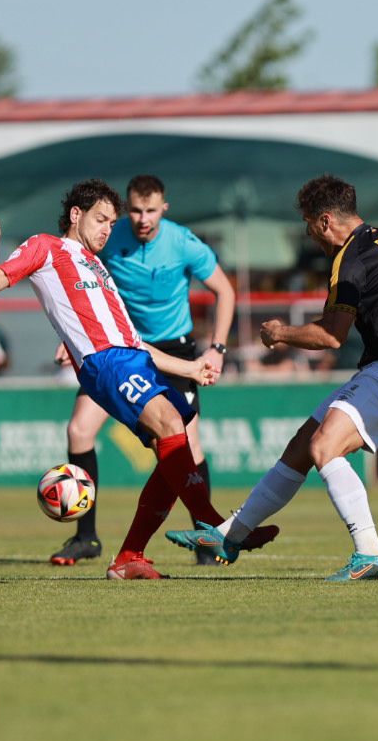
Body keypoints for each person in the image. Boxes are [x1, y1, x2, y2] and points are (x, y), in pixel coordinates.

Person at [166, 175, 378, 580]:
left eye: (310, 226)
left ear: (325, 220)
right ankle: (230, 535)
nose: (312, 237)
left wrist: (281, 334)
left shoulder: (351, 258)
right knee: (301, 447)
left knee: (325, 446)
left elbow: (331, 335)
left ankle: (371, 551)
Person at [0, 178, 252, 581]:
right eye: (101, 220)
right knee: (164, 428)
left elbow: (133, 340)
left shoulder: (100, 266)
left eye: (110, 222)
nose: (108, 229)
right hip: (107, 364)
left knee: (176, 447)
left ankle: (130, 556)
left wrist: (190, 368)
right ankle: (217, 529)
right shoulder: (45, 247)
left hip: (136, 357)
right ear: (76, 215)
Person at [49, 174, 237, 568]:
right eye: (134, 210)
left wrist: (217, 349)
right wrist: (73, 336)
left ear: (163, 209)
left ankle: (204, 537)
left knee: (186, 443)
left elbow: (225, 290)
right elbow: (84, 288)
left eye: (150, 211)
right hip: (116, 350)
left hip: (171, 350)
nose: (142, 219)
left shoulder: (182, 242)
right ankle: (87, 538)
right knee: (78, 430)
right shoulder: (106, 237)